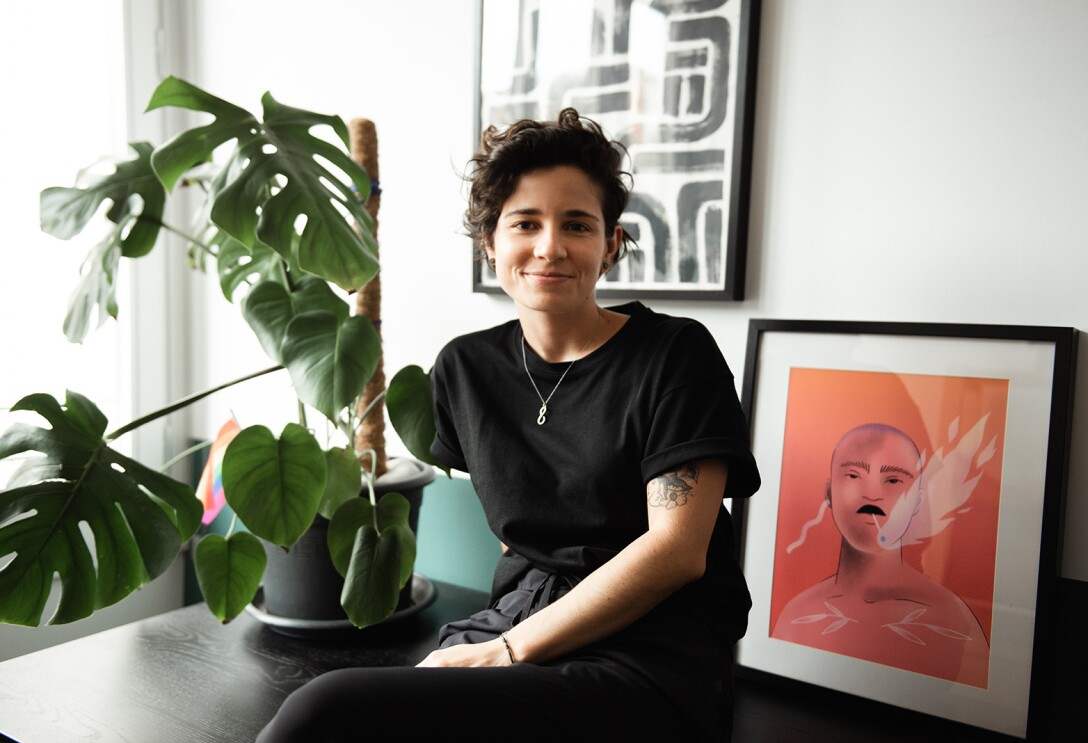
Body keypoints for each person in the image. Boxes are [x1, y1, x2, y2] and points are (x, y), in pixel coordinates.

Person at [257, 108, 760, 742]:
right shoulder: (466, 369)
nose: (550, 246)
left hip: (652, 646)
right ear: (490, 242)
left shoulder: (674, 354)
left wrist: (510, 651)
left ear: (609, 245)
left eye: (576, 224)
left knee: (323, 710)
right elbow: (516, 531)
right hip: (520, 621)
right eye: (526, 222)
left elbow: (677, 553)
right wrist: (505, 638)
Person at [772, 423, 990, 687]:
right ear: (829, 493)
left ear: (917, 502)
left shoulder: (953, 619)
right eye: (853, 475)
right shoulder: (796, 613)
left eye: (893, 480)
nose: (872, 494)